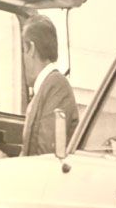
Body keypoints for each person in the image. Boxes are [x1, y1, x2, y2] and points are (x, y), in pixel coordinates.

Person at [19, 13, 78, 156]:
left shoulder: (56, 87)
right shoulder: (48, 86)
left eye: (23, 50)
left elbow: (45, 157)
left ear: (31, 49)